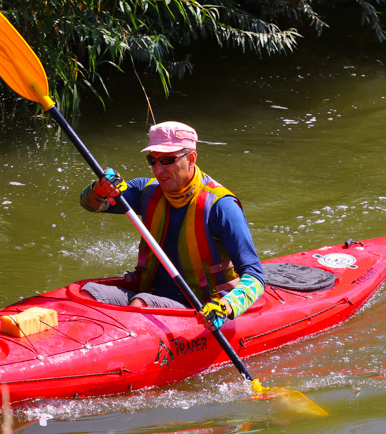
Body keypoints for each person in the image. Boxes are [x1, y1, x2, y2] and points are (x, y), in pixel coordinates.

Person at [79, 121, 265, 331]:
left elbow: (255, 277)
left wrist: (227, 306)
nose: (158, 170)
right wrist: (99, 188)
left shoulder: (222, 207)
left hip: (200, 307)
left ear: (191, 158)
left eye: (167, 160)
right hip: (149, 293)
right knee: (88, 292)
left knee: (141, 303)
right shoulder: (146, 190)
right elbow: (91, 205)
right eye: (152, 160)